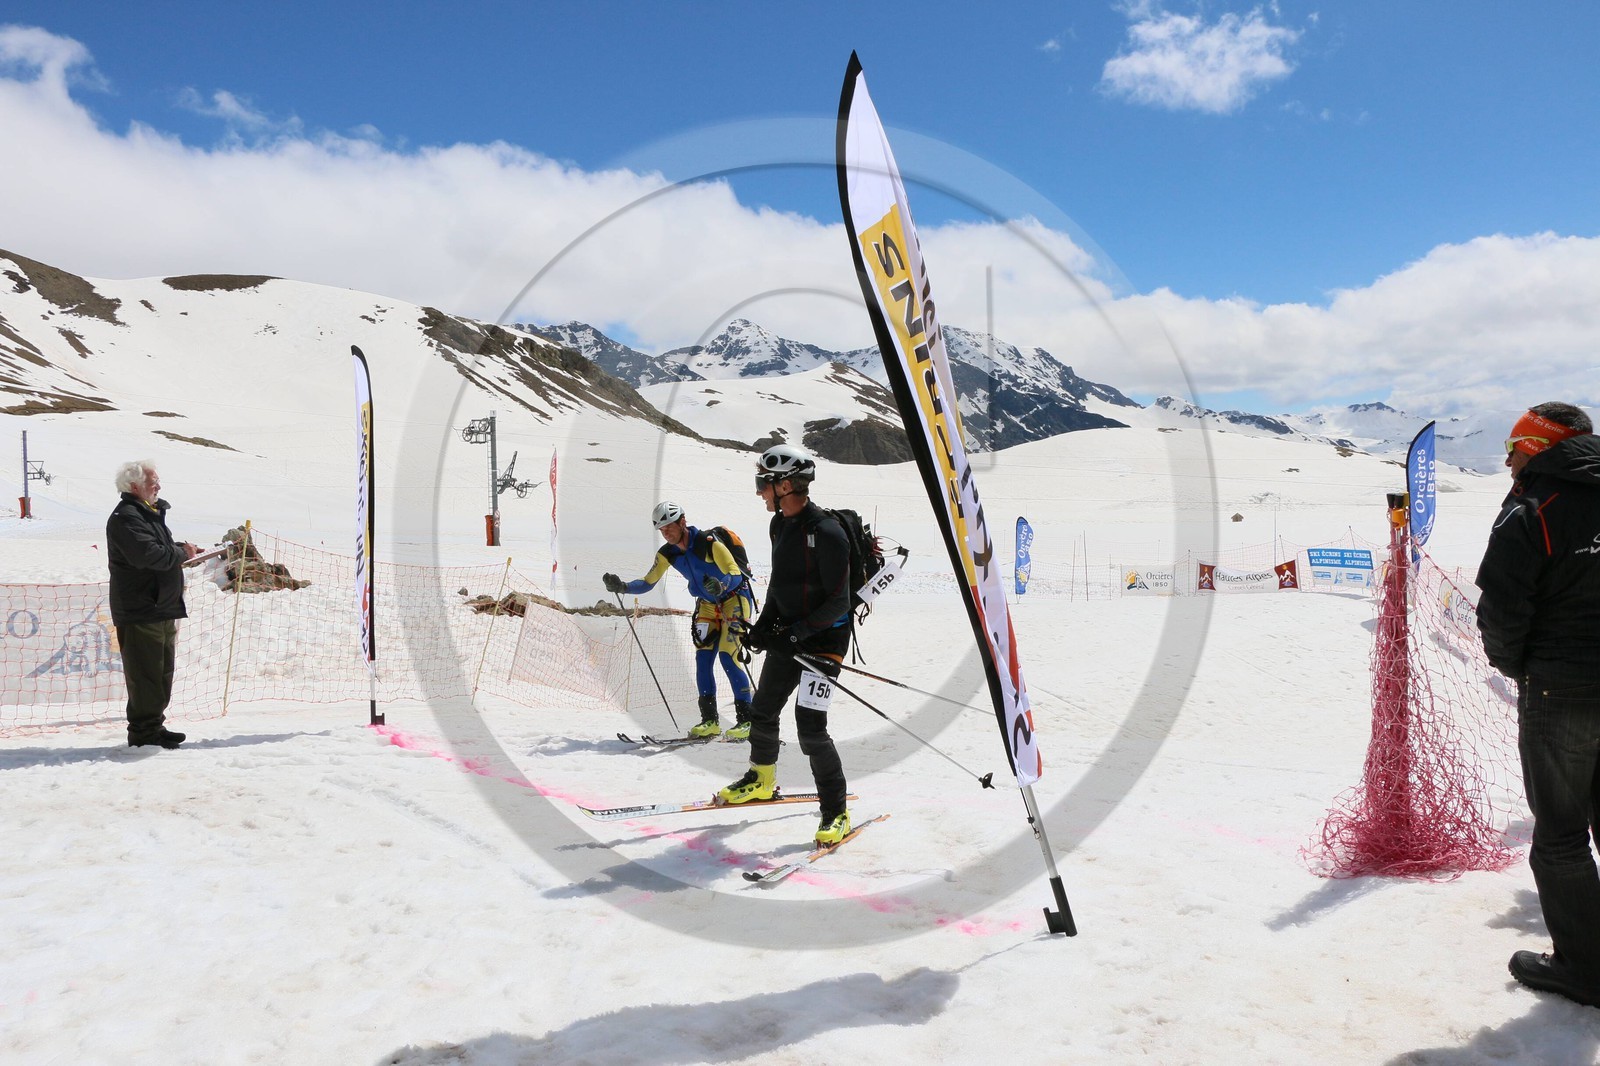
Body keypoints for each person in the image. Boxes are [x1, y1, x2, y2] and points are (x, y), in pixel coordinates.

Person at [1476, 402, 1600, 1008]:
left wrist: (1520, 667)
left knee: (1561, 835)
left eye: (1514, 445)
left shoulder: (1532, 508)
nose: (1506, 459)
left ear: (1536, 446)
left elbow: (1501, 611)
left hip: (1562, 687)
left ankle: (1585, 969)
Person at [715, 444, 854, 845]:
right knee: (762, 710)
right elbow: (779, 584)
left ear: (787, 485)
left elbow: (840, 601)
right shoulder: (780, 525)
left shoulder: (827, 532)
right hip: (789, 635)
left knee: (810, 728)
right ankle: (761, 778)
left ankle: (836, 814)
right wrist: (763, 626)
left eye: (764, 483)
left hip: (824, 642)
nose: (759, 491)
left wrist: (798, 633)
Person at [603, 502, 755, 739]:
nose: (666, 533)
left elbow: (735, 573)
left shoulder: (708, 543)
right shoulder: (668, 553)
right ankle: (710, 721)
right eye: (661, 530)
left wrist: (721, 584)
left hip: (734, 599)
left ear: (682, 522)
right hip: (706, 604)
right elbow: (648, 582)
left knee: (728, 655)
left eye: (669, 527)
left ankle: (747, 720)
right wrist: (622, 587)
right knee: (703, 658)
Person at [107, 460, 200, 749]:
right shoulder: (126, 517)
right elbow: (150, 556)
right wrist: (181, 552)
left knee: (160, 673)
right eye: (152, 482)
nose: (158, 486)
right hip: (141, 609)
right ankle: (143, 734)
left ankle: (153, 728)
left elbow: (160, 552)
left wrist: (179, 552)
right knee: (145, 675)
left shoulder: (149, 514)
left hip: (160, 606)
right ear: (134, 486)